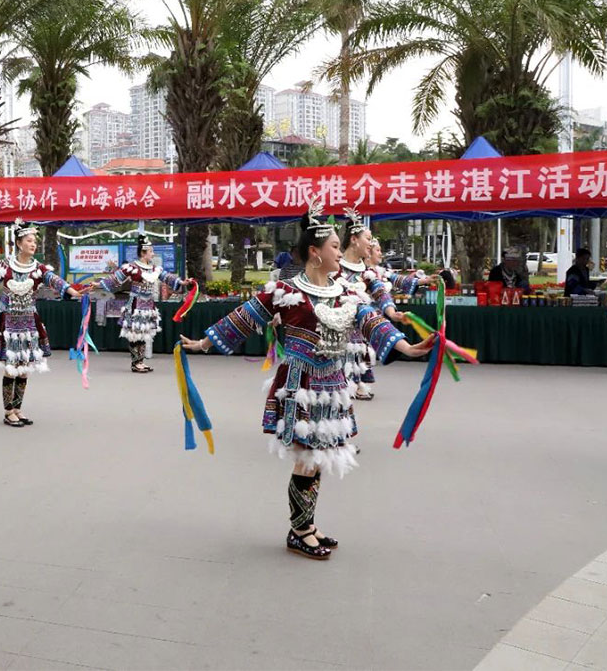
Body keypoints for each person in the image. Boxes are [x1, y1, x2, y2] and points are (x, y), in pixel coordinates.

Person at [180, 201, 434, 559]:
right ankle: (299, 530)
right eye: (334, 246)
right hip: (301, 385)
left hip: (332, 386)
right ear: (315, 252)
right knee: (307, 458)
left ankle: (307, 525)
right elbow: (244, 317)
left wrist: (407, 347)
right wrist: (203, 343)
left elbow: (371, 322)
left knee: (318, 457)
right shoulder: (286, 292)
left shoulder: (346, 291)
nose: (339, 252)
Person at [0, 219, 82, 427]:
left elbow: (56, 281)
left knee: (24, 368)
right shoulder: (4, 266)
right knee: (11, 367)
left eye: (35, 241)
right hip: (8, 323)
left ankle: (17, 408)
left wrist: (74, 291)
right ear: (19, 243)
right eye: (29, 241)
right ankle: (8, 411)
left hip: (29, 323)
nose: (33, 244)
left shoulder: (38, 269)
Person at [336, 211, 409, 401]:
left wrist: (392, 313)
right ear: (354, 239)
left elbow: (380, 292)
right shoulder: (334, 266)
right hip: (334, 331)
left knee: (356, 357)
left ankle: (356, 385)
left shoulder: (367, 272)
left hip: (358, 327)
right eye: (367, 239)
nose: (370, 243)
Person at [98, 234, 189, 373]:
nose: (153, 254)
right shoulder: (132, 267)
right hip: (135, 304)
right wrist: (99, 284)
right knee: (135, 333)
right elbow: (115, 278)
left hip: (148, 305)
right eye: (151, 251)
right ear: (143, 253)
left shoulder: (154, 269)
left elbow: (167, 277)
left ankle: (140, 361)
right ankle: (135, 362)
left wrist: (182, 282)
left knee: (144, 333)